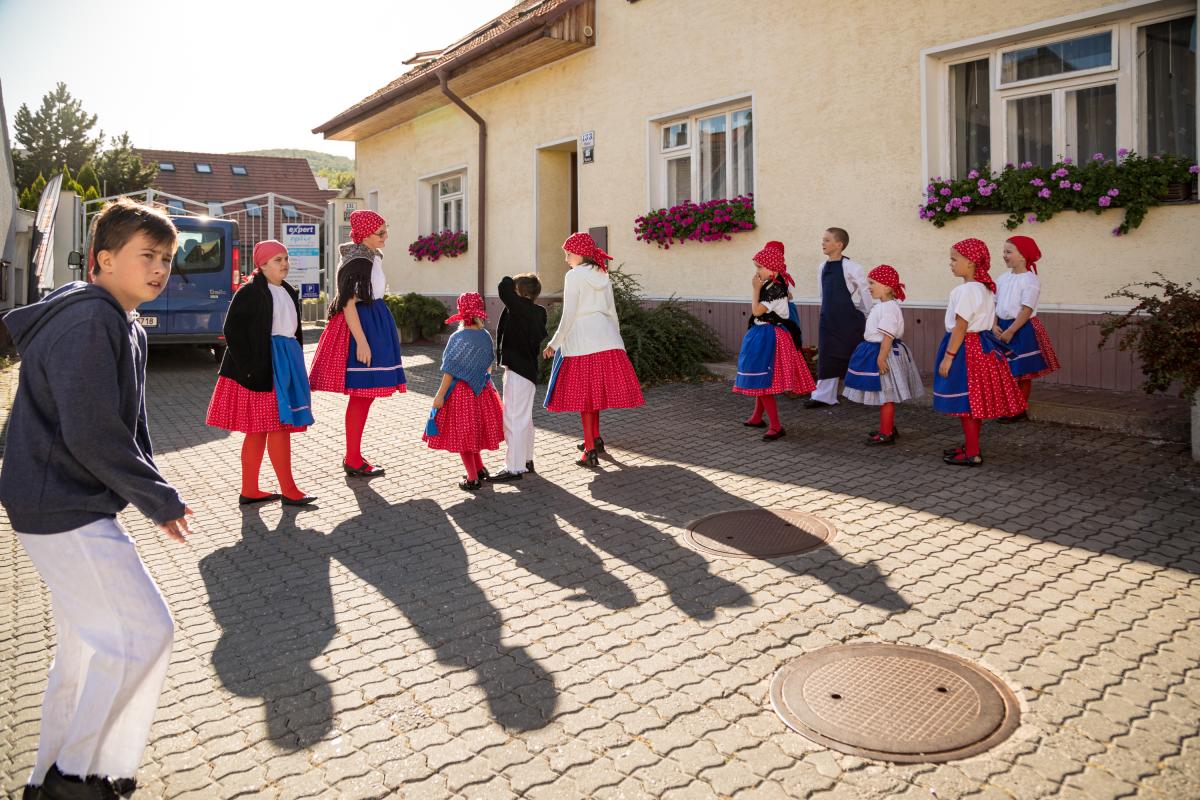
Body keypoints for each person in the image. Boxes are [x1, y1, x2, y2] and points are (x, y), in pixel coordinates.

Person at [0, 198, 193, 800]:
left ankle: (62, 775)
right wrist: (158, 499)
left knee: (86, 648)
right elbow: (92, 432)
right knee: (143, 632)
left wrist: (150, 486)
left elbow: (130, 425)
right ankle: (76, 776)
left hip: (60, 501)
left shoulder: (119, 319)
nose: (159, 269)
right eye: (147, 256)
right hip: (61, 506)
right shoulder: (90, 321)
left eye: (167, 258)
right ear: (104, 259)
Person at [205, 239, 316, 506]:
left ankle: (251, 490)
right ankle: (287, 490)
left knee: (266, 429)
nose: (285, 264)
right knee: (275, 427)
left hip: (285, 361)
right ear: (263, 264)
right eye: (278, 260)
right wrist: (250, 368)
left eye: (286, 258)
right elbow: (232, 331)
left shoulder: (288, 290)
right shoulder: (250, 292)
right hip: (262, 367)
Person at [308, 210, 406, 477]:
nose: (385, 236)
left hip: (374, 323)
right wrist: (362, 342)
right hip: (363, 327)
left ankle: (354, 456)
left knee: (366, 394)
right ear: (364, 234)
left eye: (386, 230)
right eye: (380, 232)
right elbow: (348, 303)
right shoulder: (358, 259)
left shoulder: (370, 256)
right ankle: (352, 458)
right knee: (362, 395)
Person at [542, 232, 644, 468]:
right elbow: (612, 311)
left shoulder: (573, 276)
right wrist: (618, 340)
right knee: (594, 396)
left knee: (585, 400)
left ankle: (589, 451)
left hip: (582, 342)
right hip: (607, 338)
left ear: (580, 254)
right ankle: (595, 439)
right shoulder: (602, 274)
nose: (566, 259)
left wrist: (554, 343)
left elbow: (569, 314)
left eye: (568, 254)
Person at [933, 238, 1027, 466]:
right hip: (982, 346)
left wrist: (948, 357)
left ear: (971, 262)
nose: (950, 263)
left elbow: (961, 326)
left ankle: (972, 453)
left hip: (966, 347)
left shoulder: (965, 290)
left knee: (965, 402)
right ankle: (971, 445)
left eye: (954, 259)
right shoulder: (984, 288)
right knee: (972, 401)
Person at [733, 240, 816, 441]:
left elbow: (756, 311)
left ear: (773, 269)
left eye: (760, 267)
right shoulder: (772, 285)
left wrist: (755, 289)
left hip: (769, 337)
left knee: (763, 380)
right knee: (760, 379)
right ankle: (757, 417)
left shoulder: (775, 289)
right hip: (762, 333)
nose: (757, 272)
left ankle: (776, 426)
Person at [423, 293, 505, 491]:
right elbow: (488, 367)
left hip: (460, 394)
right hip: (482, 390)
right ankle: (480, 469)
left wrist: (440, 395)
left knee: (464, 436)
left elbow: (449, 370)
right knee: (473, 433)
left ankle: (472, 478)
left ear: (461, 310)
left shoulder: (457, 337)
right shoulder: (485, 336)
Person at [841, 265, 924, 445]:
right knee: (885, 395)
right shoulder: (884, 306)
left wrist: (881, 358)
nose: (868, 287)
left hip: (884, 353)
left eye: (872, 283)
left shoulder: (888, 308)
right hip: (879, 350)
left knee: (886, 395)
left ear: (887, 287)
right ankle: (888, 427)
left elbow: (888, 336)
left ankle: (886, 433)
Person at [994, 235, 1060, 423]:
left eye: (1009, 252)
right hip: (1002, 327)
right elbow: (995, 304)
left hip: (1021, 328)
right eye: (1004, 251)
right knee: (1005, 371)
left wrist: (1011, 331)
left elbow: (1026, 309)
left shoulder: (1030, 280)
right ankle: (1008, 406)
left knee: (1021, 371)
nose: (1004, 255)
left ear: (1023, 255)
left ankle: (1018, 409)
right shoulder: (1002, 278)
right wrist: (993, 325)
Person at [489, 273, 547, 482]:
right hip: (528, 373)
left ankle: (514, 468)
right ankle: (526, 460)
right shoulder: (539, 311)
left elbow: (503, 286)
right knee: (524, 419)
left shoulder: (520, 308)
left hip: (517, 372)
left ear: (519, 293)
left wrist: (511, 281)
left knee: (513, 419)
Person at [807, 227, 873, 408]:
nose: (823, 243)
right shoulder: (822, 267)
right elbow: (823, 294)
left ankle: (865, 392)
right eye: (823, 240)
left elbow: (865, 291)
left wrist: (865, 313)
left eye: (827, 240)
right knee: (827, 355)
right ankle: (823, 396)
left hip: (847, 319)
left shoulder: (852, 267)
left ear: (839, 244)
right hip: (828, 318)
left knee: (853, 354)